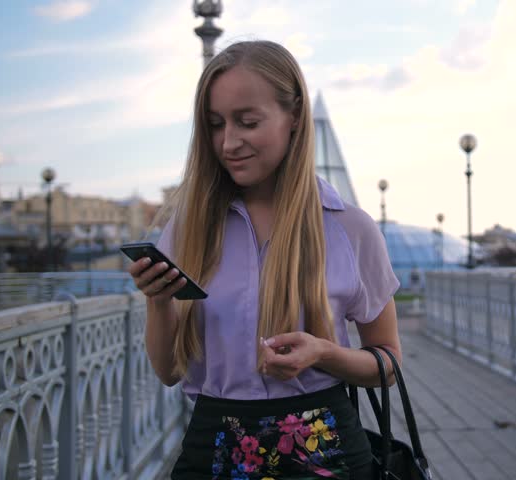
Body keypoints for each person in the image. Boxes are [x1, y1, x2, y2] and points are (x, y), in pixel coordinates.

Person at [127, 40, 400, 479]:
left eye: (247, 122)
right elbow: (168, 371)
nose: (228, 142)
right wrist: (157, 301)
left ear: (294, 118)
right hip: (212, 449)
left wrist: (324, 354)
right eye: (215, 125)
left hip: (324, 452)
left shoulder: (351, 228)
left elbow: (388, 365)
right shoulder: (187, 227)